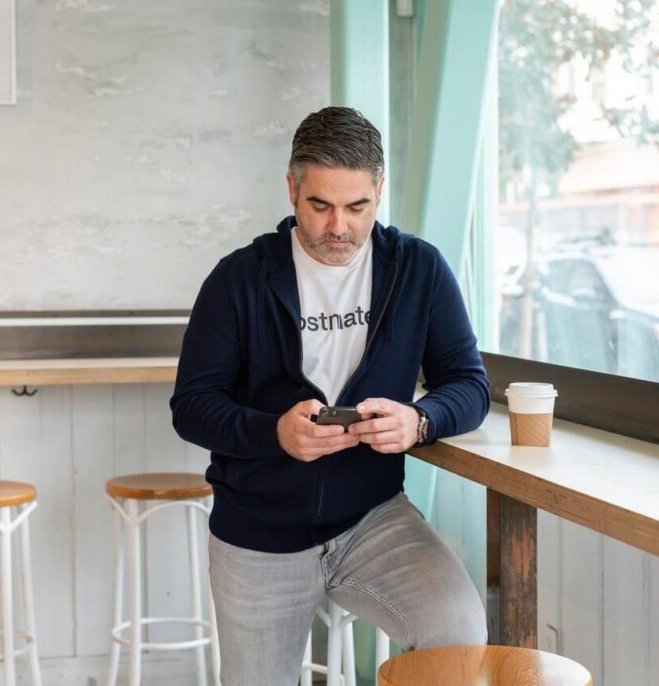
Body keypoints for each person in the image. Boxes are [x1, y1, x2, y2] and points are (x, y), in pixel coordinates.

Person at [170, 106, 490, 685]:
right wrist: (274, 432)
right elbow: (191, 406)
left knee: (458, 632)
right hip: (258, 533)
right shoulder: (237, 280)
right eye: (320, 205)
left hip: (373, 518)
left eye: (357, 207)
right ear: (292, 188)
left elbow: (469, 385)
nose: (338, 226)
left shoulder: (418, 269)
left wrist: (420, 421)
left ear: (379, 192)